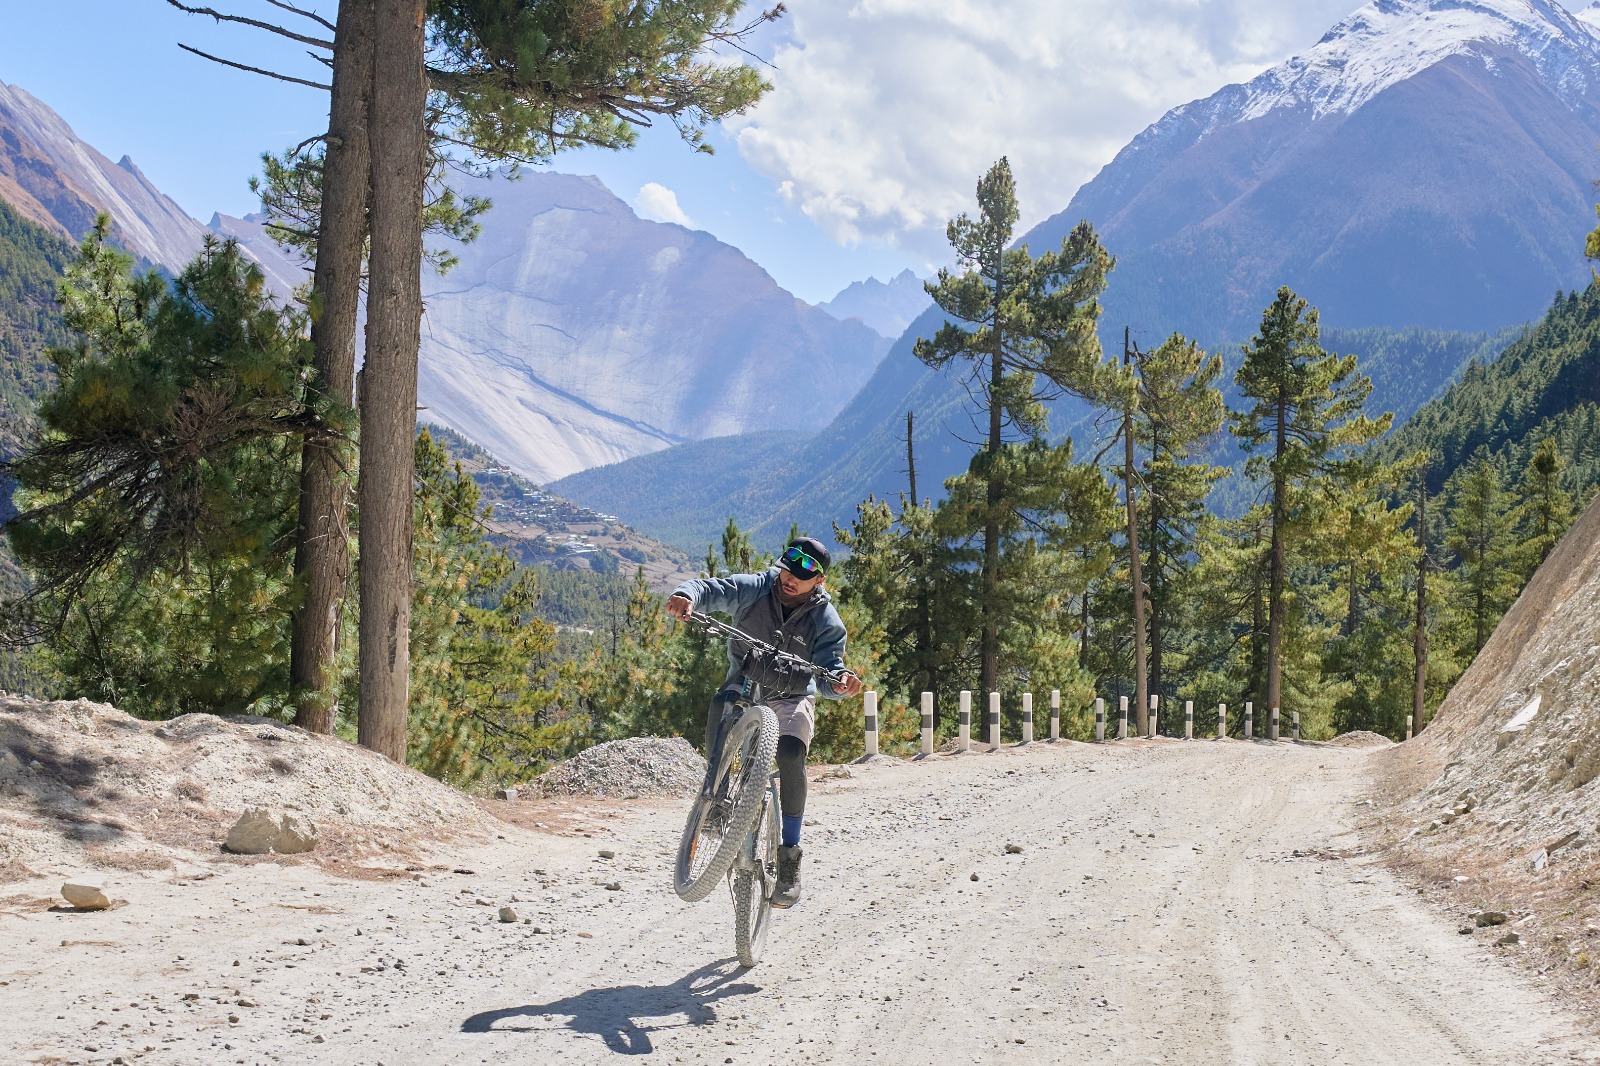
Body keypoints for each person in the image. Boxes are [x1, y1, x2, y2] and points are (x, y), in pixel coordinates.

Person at [666, 535, 862, 908]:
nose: (792, 576)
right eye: (790, 564)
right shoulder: (758, 587)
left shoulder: (826, 620)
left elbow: (829, 675)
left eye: (806, 571)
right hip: (747, 679)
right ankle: (717, 796)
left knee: (790, 754)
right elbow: (710, 589)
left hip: (792, 695)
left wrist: (841, 684)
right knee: (723, 702)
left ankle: (789, 858)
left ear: (819, 580)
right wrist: (686, 596)